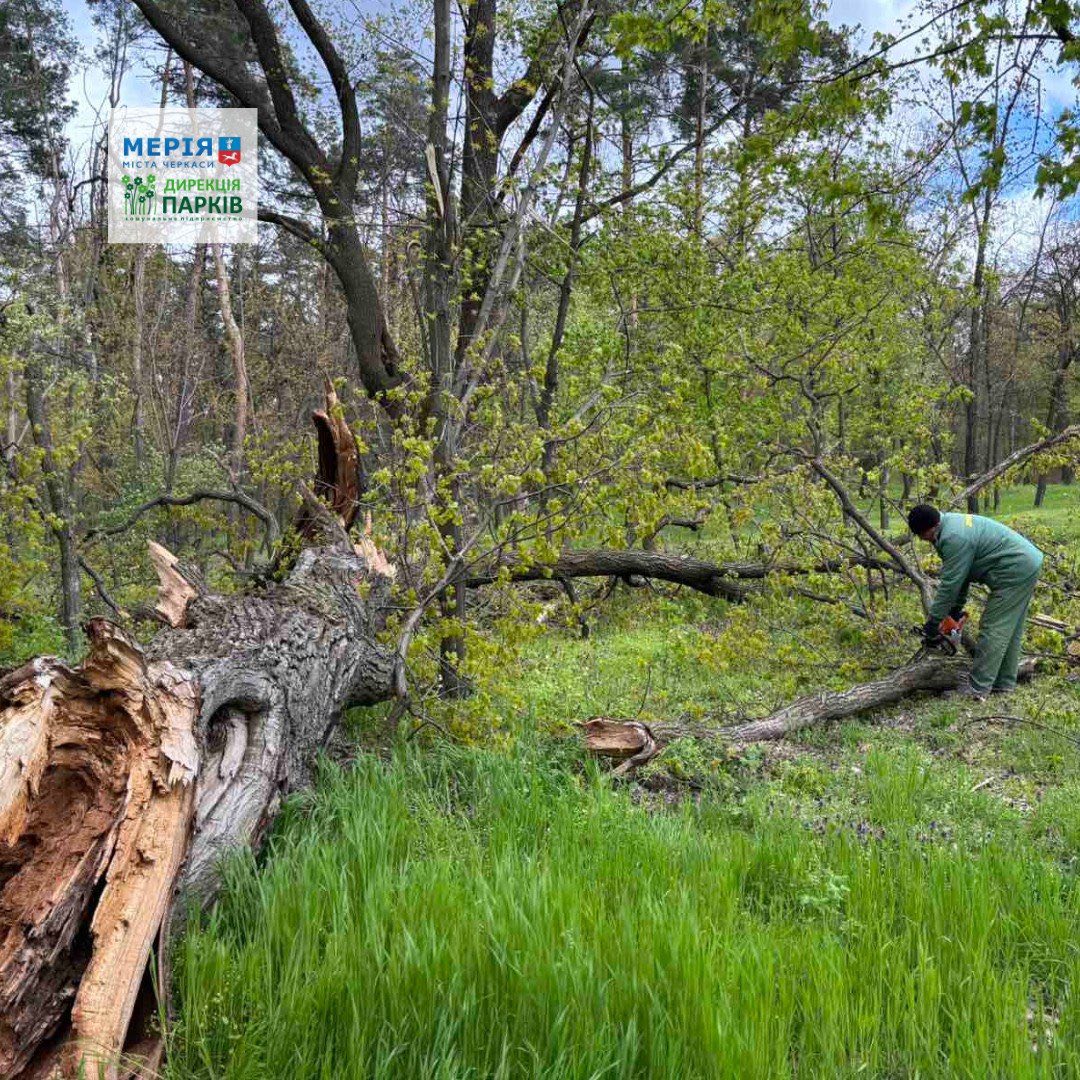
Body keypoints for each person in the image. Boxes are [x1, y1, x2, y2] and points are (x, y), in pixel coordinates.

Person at [907, 503, 1044, 701]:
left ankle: (978, 688)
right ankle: (1003, 683)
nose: (922, 539)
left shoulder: (953, 538)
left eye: (923, 534)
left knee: (993, 627)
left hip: (1015, 569)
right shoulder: (950, 526)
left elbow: (950, 585)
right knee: (1010, 629)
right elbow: (961, 578)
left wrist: (932, 622)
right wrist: (954, 611)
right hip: (1026, 562)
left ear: (933, 525)